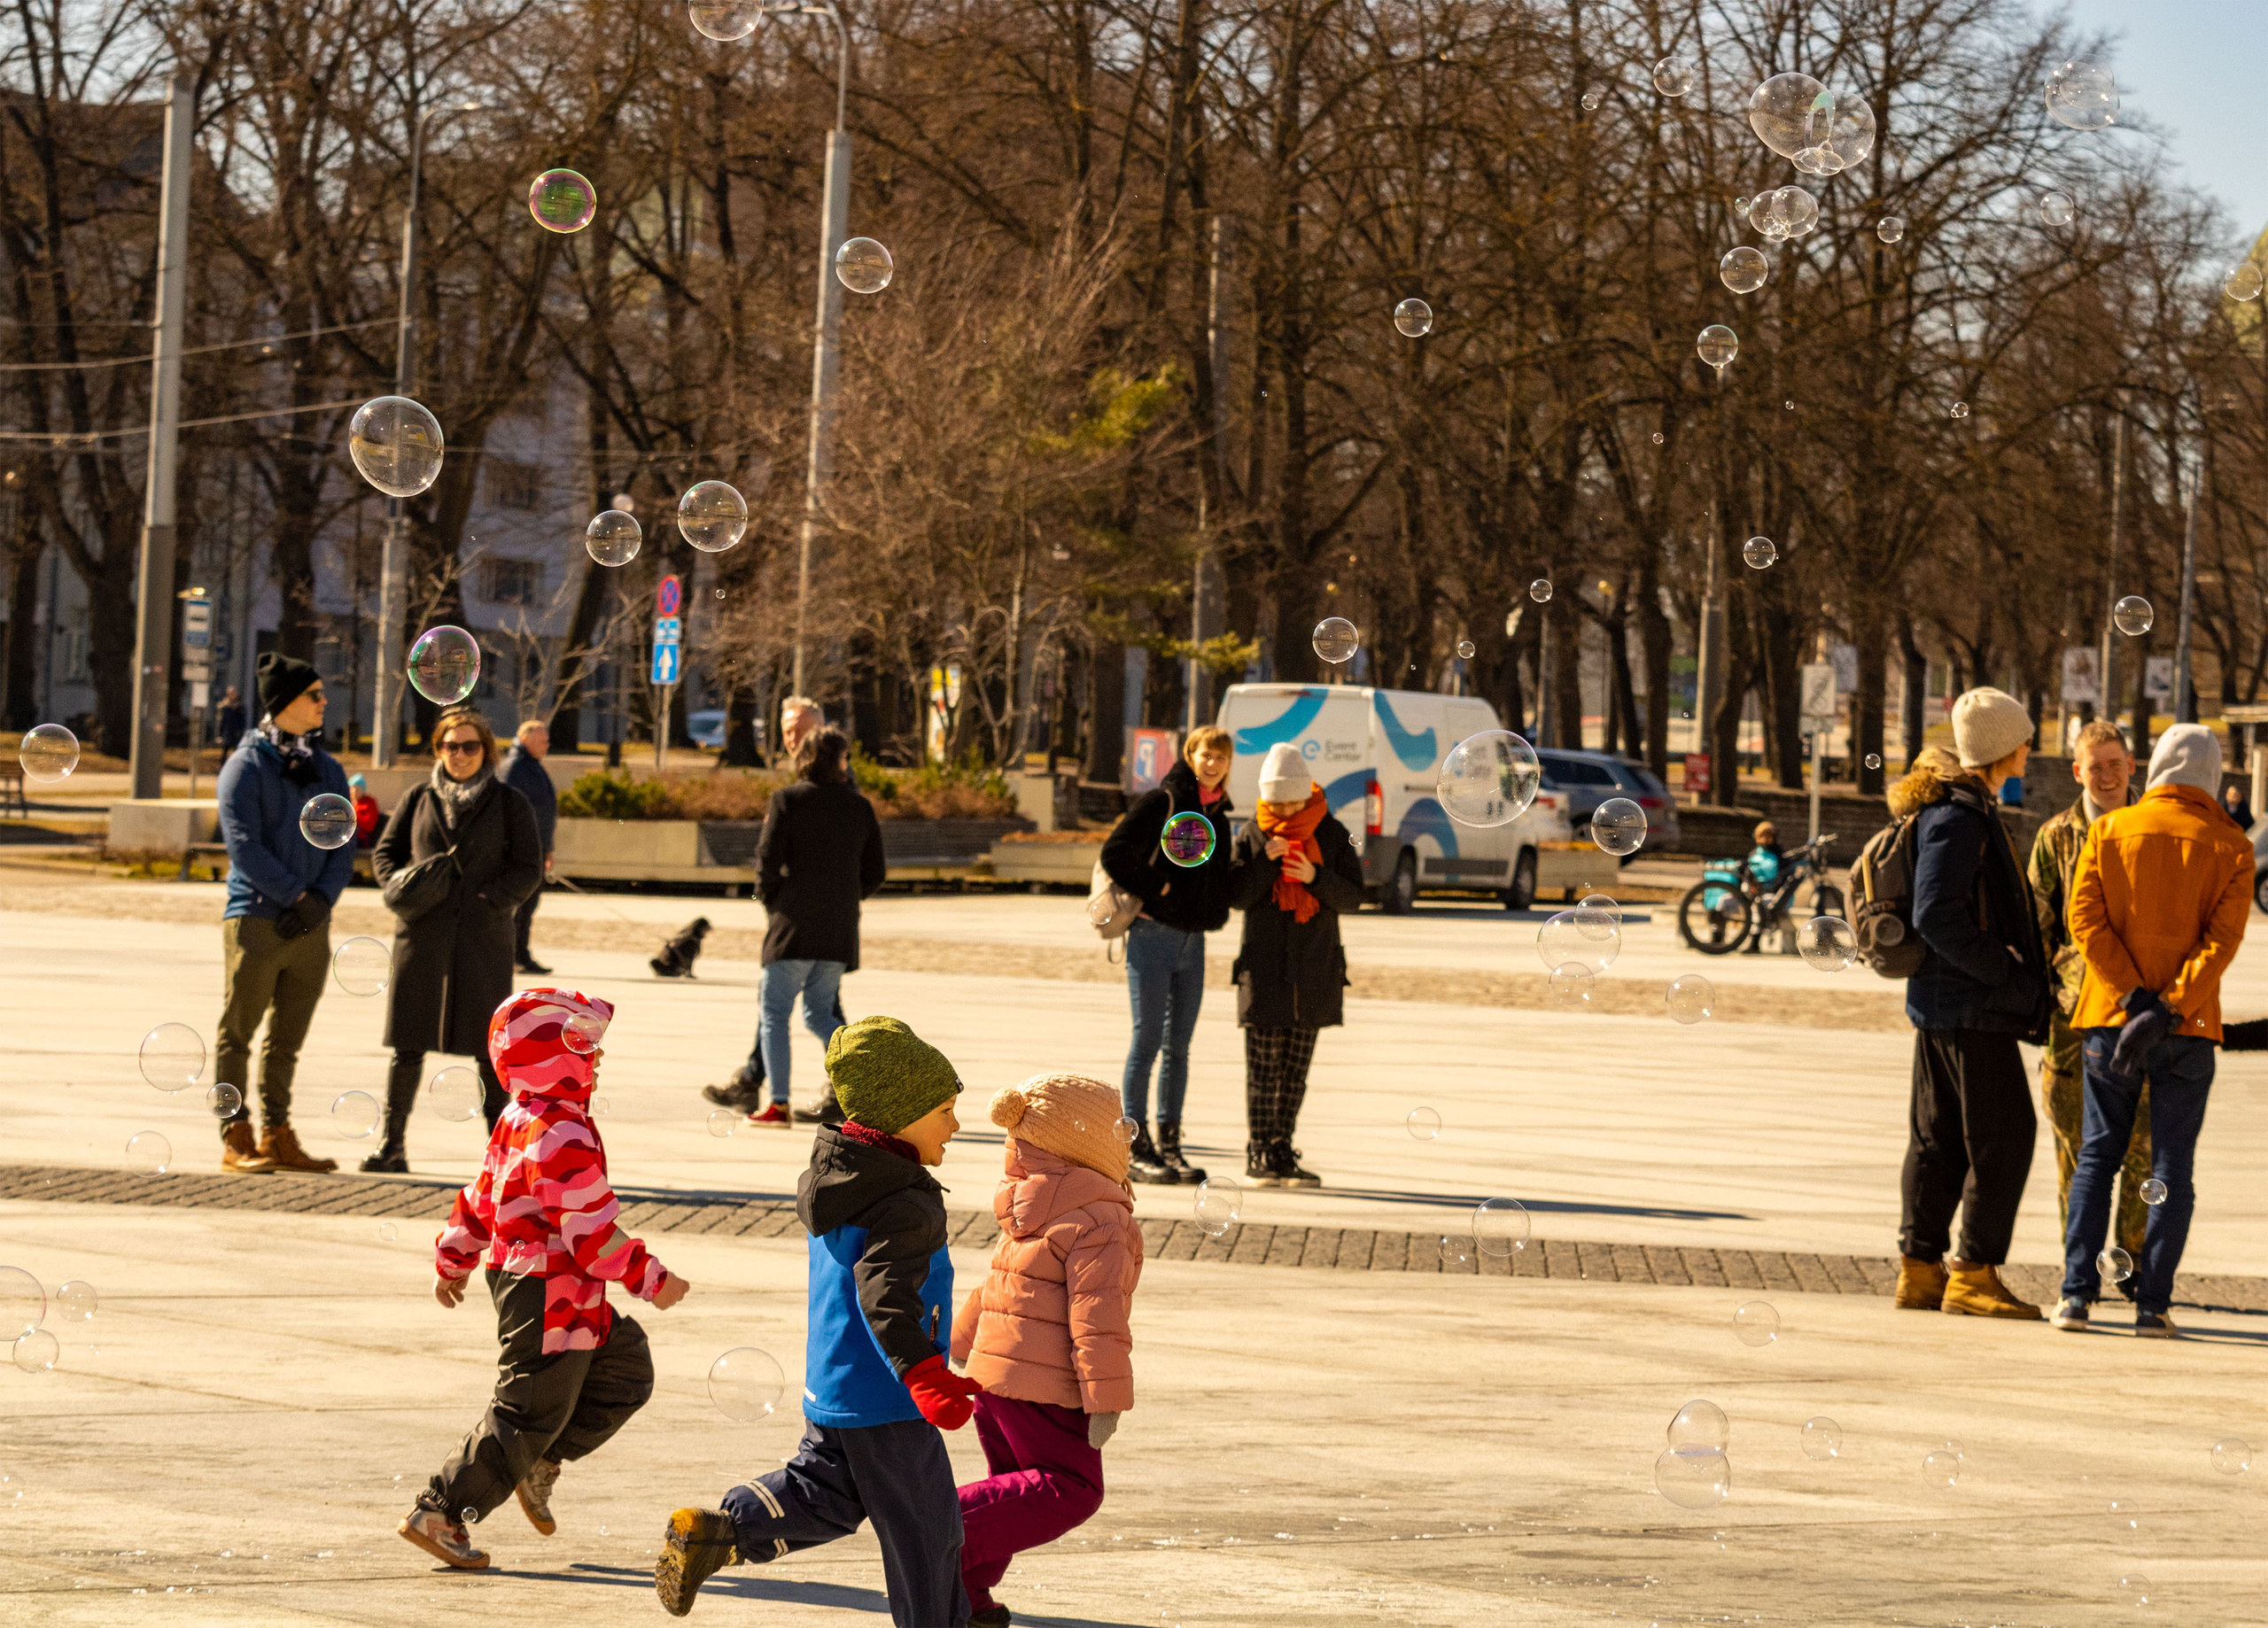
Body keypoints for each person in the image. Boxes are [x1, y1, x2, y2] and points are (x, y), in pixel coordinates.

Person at [655, 1016, 979, 1624]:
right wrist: (926, 1375)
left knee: (824, 1497)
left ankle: (718, 1532)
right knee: (927, 1535)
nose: (956, 1125)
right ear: (899, 1114)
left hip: (834, 1383)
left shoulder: (839, 1176)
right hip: (890, 1395)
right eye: (943, 1110)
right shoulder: (906, 1201)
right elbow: (885, 1294)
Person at [400, 988, 690, 1570]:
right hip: (551, 1291)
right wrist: (652, 1279)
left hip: (554, 1289)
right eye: (583, 1046)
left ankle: (541, 1460)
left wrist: (454, 1258)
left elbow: (480, 1199)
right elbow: (592, 1234)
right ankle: (442, 1510)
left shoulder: (521, 1117)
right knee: (526, 1409)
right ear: (550, 1058)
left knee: (624, 1366)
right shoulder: (560, 1134)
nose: (597, 1058)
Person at [2057, 724, 2254, 1337]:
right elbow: (2222, 943)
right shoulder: (2231, 845)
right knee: (2172, 1167)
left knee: (2097, 1157)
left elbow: (2083, 921)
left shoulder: (2109, 830)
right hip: (2187, 1029)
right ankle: (2153, 1306)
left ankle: (2075, 1297)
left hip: (2110, 1020)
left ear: (2157, 769)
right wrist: (2169, 1006)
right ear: (2213, 775)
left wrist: (2134, 996)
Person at [952, 1074, 1141, 1628]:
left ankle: (962, 1593)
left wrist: (962, 1345)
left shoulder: (1032, 1199)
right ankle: (936, 1536)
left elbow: (996, 1284)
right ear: (1089, 1142)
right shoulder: (1101, 1216)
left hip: (996, 1379)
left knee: (1013, 1491)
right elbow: (1097, 1317)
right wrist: (1105, 1401)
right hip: (1046, 1387)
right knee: (1071, 1488)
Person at [1889, 688, 2052, 1321]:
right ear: (2001, 747)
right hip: (1968, 1005)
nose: (2030, 748)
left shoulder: (1954, 808)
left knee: (1939, 1140)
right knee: (2004, 1137)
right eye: (2024, 738)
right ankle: (1974, 1274)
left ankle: (1920, 1270)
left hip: (1943, 1003)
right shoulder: (1959, 817)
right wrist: (2005, 976)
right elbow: (1936, 914)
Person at [368, 707, 545, 1170]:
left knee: (489, 1051)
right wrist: (399, 888)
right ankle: (393, 1146)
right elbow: (385, 853)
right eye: (451, 745)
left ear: (485, 749)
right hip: (422, 934)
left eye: (470, 746)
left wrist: (493, 900)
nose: (460, 754)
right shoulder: (418, 797)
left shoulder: (509, 803)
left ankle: (506, 1157)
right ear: (438, 749)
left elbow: (528, 867)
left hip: (483, 939)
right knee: (408, 1042)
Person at [212, 653, 354, 1175]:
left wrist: (320, 901)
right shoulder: (244, 768)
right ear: (284, 702)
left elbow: (344, 844)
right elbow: (244, 848)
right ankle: (236, 1132)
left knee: (288, 1039)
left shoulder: (328, 767)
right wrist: (297, 896)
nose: (323, 703)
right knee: (238, 1032)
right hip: (256, 917)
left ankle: (277, 1131)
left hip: (311, 922)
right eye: (314, 694)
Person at [2026, 719, 2149, 1274]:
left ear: (2132, 766)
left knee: (2142, 1148)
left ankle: (2132, 1264)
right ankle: (2077, 1268)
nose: (2105, 776)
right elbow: (2037, 928)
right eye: (2093, 766)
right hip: (2074, 1017)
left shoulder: (2157, 828)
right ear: (2076, 772)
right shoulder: (2056, 838)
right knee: (2075, 1149)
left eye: (2114, 764)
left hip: (2143, 1012)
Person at [1225, 740, 1366, 1189]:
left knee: (1295, 1070)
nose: (1284, 810)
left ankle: (1283, 1148)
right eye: (1276, 801)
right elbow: (1237, 897)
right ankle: (1259, 1150)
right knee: (1263, 1069)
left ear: (1307, 792)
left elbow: (1354, 897)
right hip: (1265, 968)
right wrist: (1267, 867)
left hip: (1314, 968)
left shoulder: (1331, 831)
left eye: (1292, 799)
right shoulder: (1253, 833)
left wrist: (1314, 877)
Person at [1100, 724, 1236, 1184]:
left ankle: (1171, 1145)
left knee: (1180, 1047)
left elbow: (1220, 878)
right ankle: (1135, 1145)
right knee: (1147, 1042)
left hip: (1192, 942)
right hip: (1153, 936)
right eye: (1206, 755)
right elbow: (1114, 852)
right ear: (1190, 756)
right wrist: (1157, 888)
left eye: (1222, 758)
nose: (1213, 764)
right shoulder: (1164, 802)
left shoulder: (1219, 813)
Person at [701, 695, 843, 1120]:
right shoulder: (795, 781)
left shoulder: (836, 782)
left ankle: (845, 1087)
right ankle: (753, 1081)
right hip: (810, 918)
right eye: (786, 730)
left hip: (810, 919)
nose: (792, 737)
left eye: (800, 728)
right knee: (783, 1005)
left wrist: (780, 896)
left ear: (820, 730)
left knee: (812, 1009)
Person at [738, 727, 885, 1128]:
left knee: (774, 1013)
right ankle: (860, 1081)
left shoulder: (788, 800)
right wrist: (846, 901)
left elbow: (766, 860)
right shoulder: (860, 807)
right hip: (839, 929)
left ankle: (778, 1104)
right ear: (842, 761)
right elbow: (876, 871)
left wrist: (774, 903)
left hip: (794, 924)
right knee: (821, 1014)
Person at [501, 719, 559, 975]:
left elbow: (544, 813)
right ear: (526, 739)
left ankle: (520, 954)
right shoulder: (514, 768)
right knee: (520, 906)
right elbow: (507, 812)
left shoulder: (532, 767)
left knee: (528, 906)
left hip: (535, 848)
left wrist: (547, 848)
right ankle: (514, 956)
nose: (548, 744)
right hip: (519, 849)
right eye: (543, 740)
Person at [1738, 820, 1783, 956]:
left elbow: (1781, 879)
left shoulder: (1779, 856)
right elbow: (1747, 874)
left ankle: (1755, 942)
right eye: (1761, 836)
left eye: (1768, 836)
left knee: (1759, 905)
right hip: (1751, 892)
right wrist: (1749, 885)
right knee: (1723, 901)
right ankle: (1717, 937)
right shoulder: (1753, 854)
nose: (1764, 840)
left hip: (1770, 894)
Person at [349, 772, 382, 849]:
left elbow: (369, 826)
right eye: (352, 788)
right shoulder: (350, 803)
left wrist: (354, 818)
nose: (354, 792)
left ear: (363, 791)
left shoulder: (369, 803)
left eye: (357, 789)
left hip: (361, 839)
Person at [216, 685, 246, 755]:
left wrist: (240, 730)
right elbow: (223, 720)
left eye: (233, 694)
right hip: (227, 732)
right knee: (225, 751)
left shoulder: (240, 706)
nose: (231, 696)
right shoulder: (225, 706)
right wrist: (221, 733)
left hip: (236, 732)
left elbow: (242, 720)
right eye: (229, 694)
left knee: (236, 751)